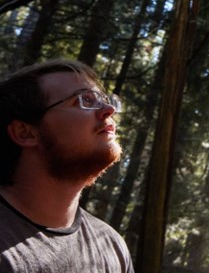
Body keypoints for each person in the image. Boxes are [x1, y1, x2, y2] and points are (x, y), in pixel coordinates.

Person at [0, 59, 133, 272]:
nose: (108, 110)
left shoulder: (112, 248)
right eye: (84, 100)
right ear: (25, 133)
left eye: (105, 100)